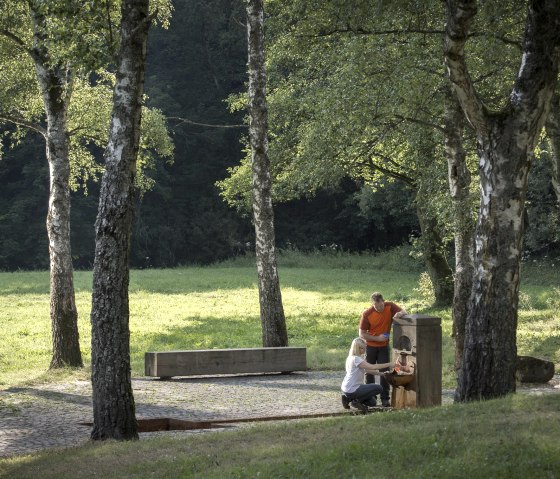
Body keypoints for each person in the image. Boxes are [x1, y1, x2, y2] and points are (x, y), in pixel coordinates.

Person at [358, 292, 407, 407]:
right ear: (372, 304)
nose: (379, 308)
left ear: (383, 301)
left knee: (385, 371)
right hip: (370, 346)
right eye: (376, 306)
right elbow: (361, 334)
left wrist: (399, 314)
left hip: (384, 346)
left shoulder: (390, 306)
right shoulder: (367, 314)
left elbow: (404, 312)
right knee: (369, 371)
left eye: (381, 305)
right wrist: (377, 338)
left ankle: (385, 398)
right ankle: (370, 397)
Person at [341, 337, 396, 412]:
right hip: (352, 388)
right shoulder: (356, 359)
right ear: (358, 348)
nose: (365, 350)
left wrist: (382, 374)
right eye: (363, 348)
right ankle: (355, 401)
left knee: (372, 402)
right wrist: (389, 364)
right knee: (379, 388)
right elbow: (372, 367)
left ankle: (347, 399)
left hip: (347, 388)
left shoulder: (351, 358)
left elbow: (367, 370)